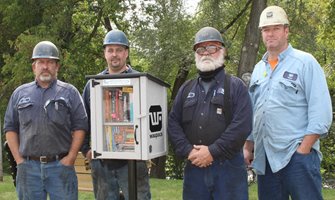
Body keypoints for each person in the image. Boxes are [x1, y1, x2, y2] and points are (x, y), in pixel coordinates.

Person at [244, 5, 333, 200]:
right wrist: (248, 147)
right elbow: (254, 112)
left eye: (276, 28)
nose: (270, 33)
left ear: (286, 30)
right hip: (265, 158)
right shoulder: (259, 69)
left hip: (297, 156)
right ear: (261, 34)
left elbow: (321, 111)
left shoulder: (305, 63)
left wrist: (304, 149)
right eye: (266, 29)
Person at [168, 26, 253, 200]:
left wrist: (213, 151)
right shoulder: (186, 89)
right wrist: (189, 152)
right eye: (200, 49)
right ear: (196, 55)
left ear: (223, 51)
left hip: (229, 170)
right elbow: (173, 123)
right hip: (194, 170)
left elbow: (242, 126)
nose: (205, 53)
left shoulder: (236, 87)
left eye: (212, 48)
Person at [3, 41, 88, 199]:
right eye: (41, 62)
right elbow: (10, 128)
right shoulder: (19, 94)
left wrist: (71, 158)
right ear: (34, 67)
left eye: (50, 62)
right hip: (28, 169)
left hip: (61, 167)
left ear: (57, 67)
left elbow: (80, 127)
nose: (45, 66)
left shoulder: (70, 93)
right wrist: (19, 161)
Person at [81, 29, 151, 200]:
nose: (114, 55)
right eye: (110, 50)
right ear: (104, 53)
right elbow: (83, 120)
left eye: (119, 50)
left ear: (126, 52)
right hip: (102, 164)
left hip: (133, 163)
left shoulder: (139, 81)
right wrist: (86, 150)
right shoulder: (93, 84)